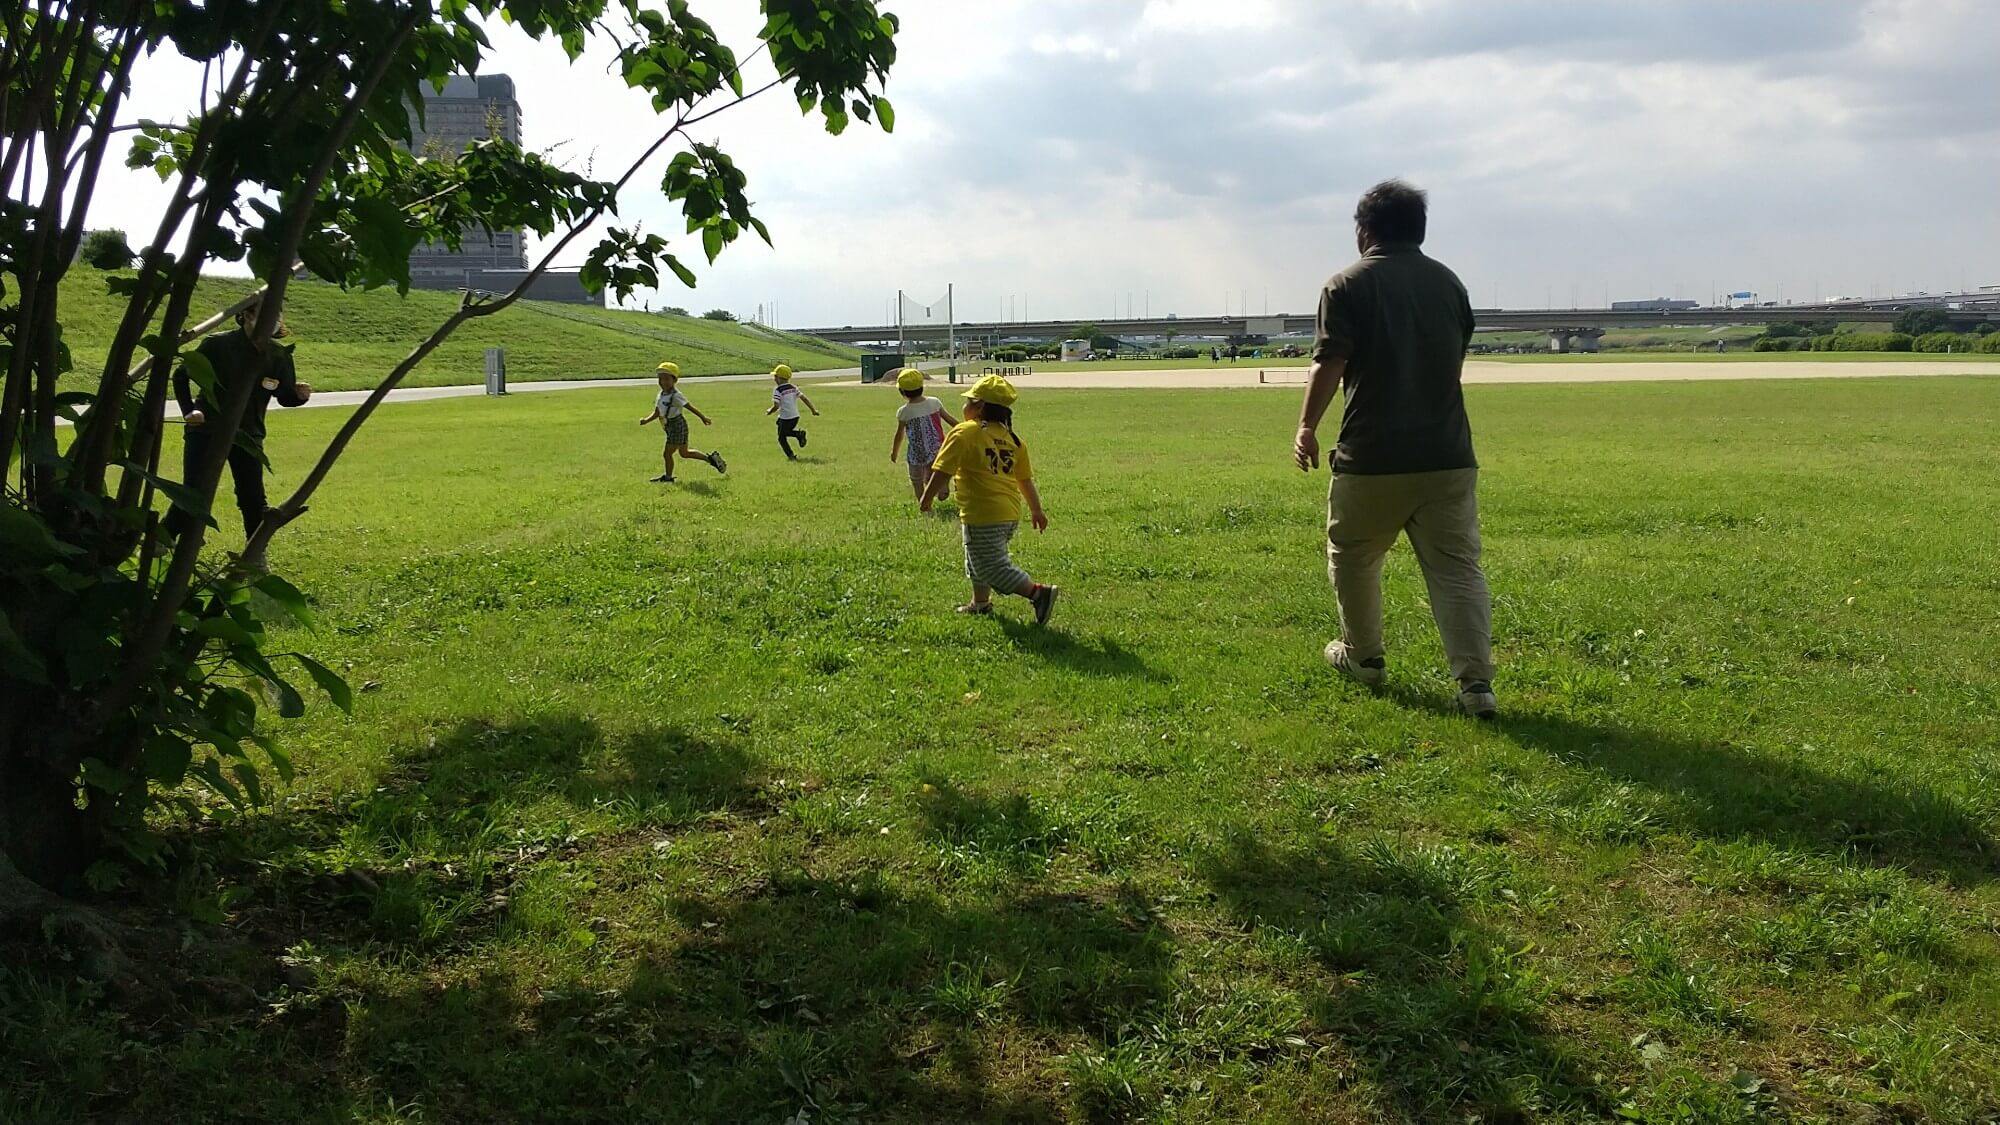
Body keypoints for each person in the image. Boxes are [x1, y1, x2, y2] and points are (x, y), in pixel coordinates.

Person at [1292, 179, 1497, 718]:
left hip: (1372, 456)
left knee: (1355, 557)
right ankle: (1476, 684)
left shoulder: (1345, 285)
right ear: (1419, 229)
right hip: (1449, 453)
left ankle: (1364, 657)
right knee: (1456, 569)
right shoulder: (1449, 284)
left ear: (1364, 231)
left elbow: (1330, 362)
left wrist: (1306, 427)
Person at [172, 294, 313, 565]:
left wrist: (299, 396)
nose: (276, 320)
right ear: (247, 315)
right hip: (206, 430)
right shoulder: (218, 345)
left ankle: (255, 556)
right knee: (193, 493)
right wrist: (190, 410)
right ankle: (163, 542)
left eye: (278, 314)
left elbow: (283, 396)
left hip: (249, 434)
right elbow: (181, 375)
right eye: (269, 313)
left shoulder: (278, 355)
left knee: (252, 498)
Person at [919, 374, 1058, 624]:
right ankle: (980, 603)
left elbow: (943, 470)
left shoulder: (965, 433)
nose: (964, 406)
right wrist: (1036, 510)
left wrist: (926, 497)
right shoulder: (1013, 440)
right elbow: (1024, 479)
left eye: (968, 400)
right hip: (1008, 513)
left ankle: (1038, 593)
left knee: (990, 566)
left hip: (982, 513)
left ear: (979, 406)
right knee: (976, 558)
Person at [637, 362, 725, 482]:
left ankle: (668, 477)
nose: (663, 382)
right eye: (660, 379)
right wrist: (646, 420)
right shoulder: (661, 394)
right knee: (684, 453)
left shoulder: (676, 396)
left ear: (674, 380)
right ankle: (711, 459)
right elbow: (658, 412)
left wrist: (703, 418)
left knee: (667, 454)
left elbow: (689, 407)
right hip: (669, 425)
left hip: (677, 426)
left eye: (666, 379)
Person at [888, 367, 957, 502]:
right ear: (922, 386)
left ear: (902, 391)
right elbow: (950, 420)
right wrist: (965, 429)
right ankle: (942, 486)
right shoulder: (934, 402)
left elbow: (899, 435)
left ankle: (924, 503)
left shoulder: (904, 412)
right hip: (937, 448)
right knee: (937, 472)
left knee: (916, 480)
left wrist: (894, 452)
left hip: (916, 453)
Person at [765, 363, 820, 460]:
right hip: (795, 417)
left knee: (781, 438)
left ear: (779, 378)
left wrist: (770, 411)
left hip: (786, 418)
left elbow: (776, 405)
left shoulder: (778, 390)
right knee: (782, 429)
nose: (774, 379)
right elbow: (804, 398)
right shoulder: (793, 387)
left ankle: (792, 453)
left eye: (775, 376)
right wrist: (813, 410)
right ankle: (798, 435)